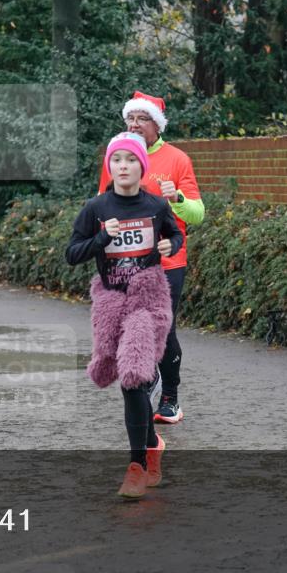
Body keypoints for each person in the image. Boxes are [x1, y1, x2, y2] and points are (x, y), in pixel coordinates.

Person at [68, 132, 183, 499]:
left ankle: (135, 467)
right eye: (117, 160)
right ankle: (152, 446)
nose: (123, 166)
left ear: (141, 167)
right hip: (112, 303)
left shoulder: (155, 206)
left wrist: (170, 244)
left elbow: (176, 235)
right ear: (110, 166)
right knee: (128, 385)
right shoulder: (97, 208)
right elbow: (72, 253)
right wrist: (102, 239)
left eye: (131, 160)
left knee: (134, 376)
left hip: (149, 301)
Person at [97, 92, 205, 424]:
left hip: (168, 261)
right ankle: (148, 378)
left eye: (142, 119)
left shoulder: (177, 159)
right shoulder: (117, 156)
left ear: (156, 126)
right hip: (125, 261)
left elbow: (197, 214)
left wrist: (178, 197)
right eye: (130, 119)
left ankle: (170, 395)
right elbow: (102, 205)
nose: (134, 125)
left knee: (163, 327)